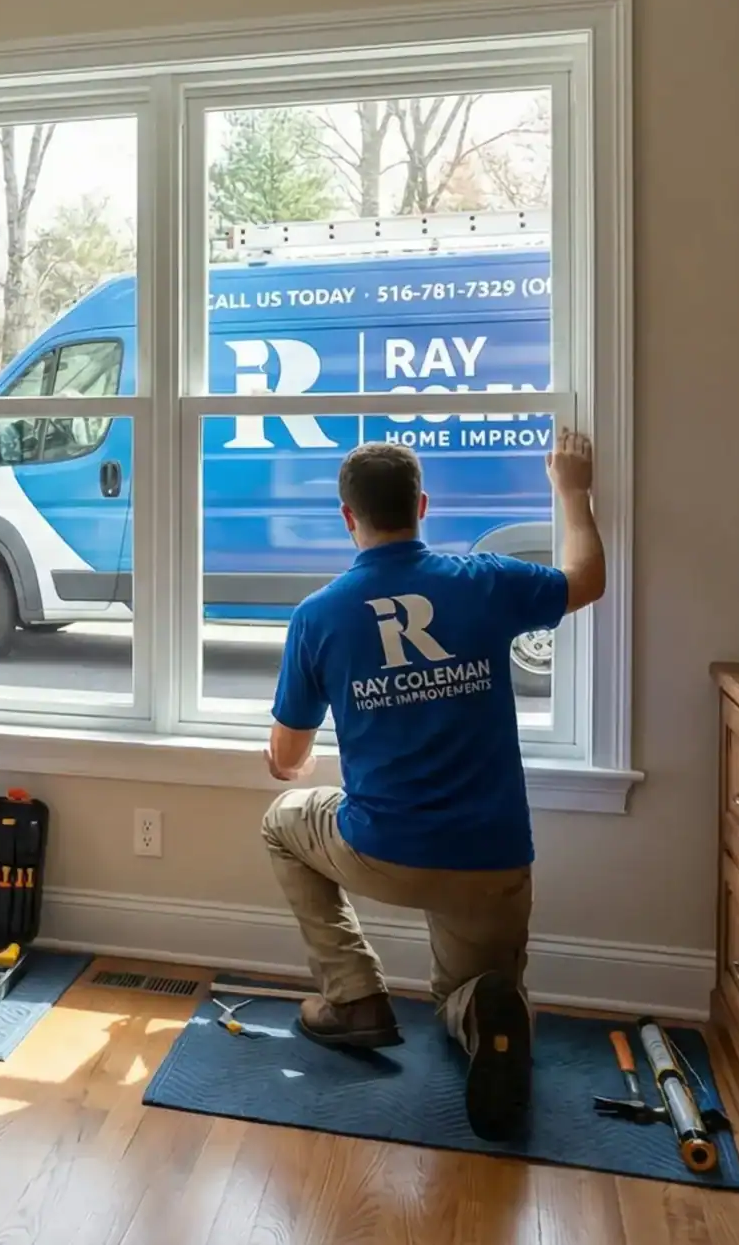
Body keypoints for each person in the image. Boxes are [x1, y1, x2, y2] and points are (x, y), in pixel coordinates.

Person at [257, 429, 605, 1141]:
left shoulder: (318, 615)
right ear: (422, 505)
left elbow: (287, 758)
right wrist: (571, 488)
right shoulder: (481, 580)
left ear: (347, 517)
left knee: (282, 820)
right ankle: (481, 1010)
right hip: (492, 856)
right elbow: (586, 579)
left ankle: (355, 998)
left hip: (381, 849)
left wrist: (303, 763)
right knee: (463, 994)